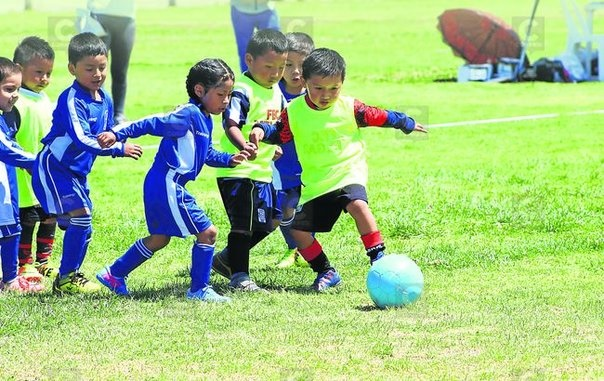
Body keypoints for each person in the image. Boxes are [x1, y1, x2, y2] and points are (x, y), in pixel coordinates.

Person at [250, 48, 428, 291]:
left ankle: (378, 258)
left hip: (348, 171)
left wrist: (405, 123)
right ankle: (326, 271)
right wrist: (261, 129)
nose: (327, 95)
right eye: (319, 88)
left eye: (334, 88)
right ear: (304, 81)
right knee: (299, 231)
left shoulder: (350, 107)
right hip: (316, 182)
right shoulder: (294, 112)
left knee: (358, 205)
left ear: (342, 83)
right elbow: (278, 132)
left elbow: (380, 116)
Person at [95, 58, 253, 303]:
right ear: (200, 90)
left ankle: (114, 274)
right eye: (221, 94)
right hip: (168, 184)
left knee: (160, 238)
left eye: (229, 94)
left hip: (165, 184)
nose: (226, 101)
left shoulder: (204, 118)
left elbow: (206, 152)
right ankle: (198, 289)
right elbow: (150, 122)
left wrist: (229, 159)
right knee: (208, 233)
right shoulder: (186, 115)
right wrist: (117, 133)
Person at [31, 32, 142, 294]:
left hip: (77, 173)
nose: (98, 74)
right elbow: (82, 139)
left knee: (82, 223)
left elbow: (109, 131)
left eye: (102, 67)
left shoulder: (104, 98)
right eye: (89, 68)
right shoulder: (71, 99)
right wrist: (118, 149)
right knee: (81, 216)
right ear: (72, 69)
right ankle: (64, 277)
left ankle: (69, 275)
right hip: (55, 167)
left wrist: (128, 133)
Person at [212, 28, 288, 291]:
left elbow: (277, 127)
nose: (275, 73)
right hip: (238, 170)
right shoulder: (243, 89)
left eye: (281, 67)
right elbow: (230, 123)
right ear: (249, 60)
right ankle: (239, 276)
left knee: (272, 221)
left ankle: (225, 260)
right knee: (242, 224)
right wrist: (244, 146)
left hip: (262, 172)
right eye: (269, 66)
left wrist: (274, 145)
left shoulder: (277, 91)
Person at [2, 36, 58, 284]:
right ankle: (24, 264)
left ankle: (43, 262)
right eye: (38, 73)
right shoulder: (14, 103)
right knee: (27, 221)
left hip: (45, 174)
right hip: (22, 177)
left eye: (48, 73)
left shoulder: (44, 99)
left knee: (49, 217)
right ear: (19, 69)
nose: (44, 78)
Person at [0, 57, 44, 293]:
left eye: (17, 89)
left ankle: (10, 279)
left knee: (11, 229)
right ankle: (9, 280)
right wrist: (38, 162)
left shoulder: (5, 118)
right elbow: (6, 150)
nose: (15, 95)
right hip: (2, 192)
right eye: (8, 89)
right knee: (8, 229)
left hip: (8, 186)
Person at [274, 32, 314, 268]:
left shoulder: (317, 92)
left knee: (306, 208)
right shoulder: (274, 94)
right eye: (288, 65)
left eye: (302, 65)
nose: (295, 71)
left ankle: (306, 251)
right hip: (282, 164)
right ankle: (294, 249)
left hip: (310, 163)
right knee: (284, 209)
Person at [87, 0, 135, 124]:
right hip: (99, 16)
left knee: (120, 71)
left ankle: (118, 115)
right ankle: (97, 111)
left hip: (126, 18)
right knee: (96, 69)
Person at [230, 0, 280, 73]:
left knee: (275, 48)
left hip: (267, 8)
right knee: (245, 50)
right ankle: (247, 80)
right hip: (240, 9)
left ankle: (276, 81)